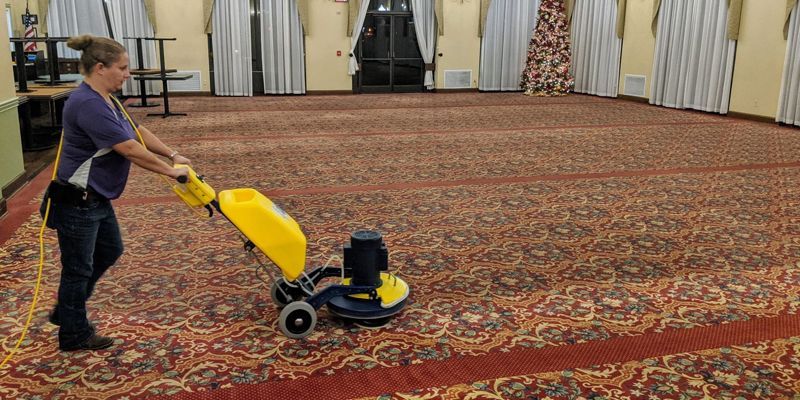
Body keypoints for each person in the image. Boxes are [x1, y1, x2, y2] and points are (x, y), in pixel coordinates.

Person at [42, 34, 189, 351]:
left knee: (109, 250)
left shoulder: (107, 98)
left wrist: (172, 154)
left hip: (95, 198)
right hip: (77, 201)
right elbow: (129, 149)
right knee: (78, 269)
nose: (127, 74)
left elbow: (138, 133)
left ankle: (68, 310)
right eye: (122, 68)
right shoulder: (87, 104)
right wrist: (170, 172)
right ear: (100, 67)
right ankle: (73, 333)